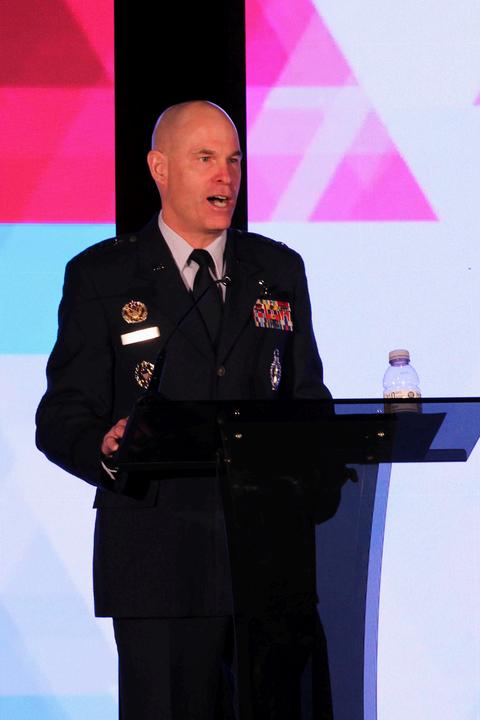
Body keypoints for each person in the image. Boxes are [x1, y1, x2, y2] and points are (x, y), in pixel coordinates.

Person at [36, 101, 339, 719]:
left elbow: (307, 397)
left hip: (269, 566)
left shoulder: (277, 269)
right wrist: (105, 445)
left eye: (233, 160)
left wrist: (319, 473)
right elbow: (61, 415)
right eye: (205, 159)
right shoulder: (103, 275)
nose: (226, 176)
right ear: (160, 168)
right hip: (158, 566)